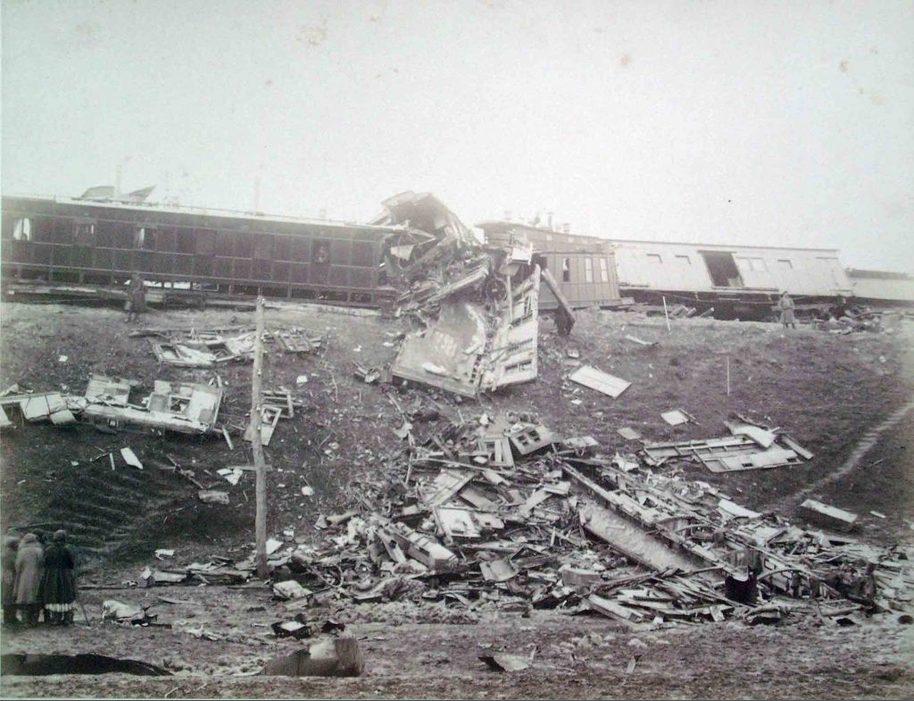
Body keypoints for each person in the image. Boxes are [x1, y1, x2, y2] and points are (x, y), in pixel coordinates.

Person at [41, 530, 78, 626]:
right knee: (66, 596)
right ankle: (67, 618)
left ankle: (55, 618)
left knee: (54, 596)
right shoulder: (67, 550)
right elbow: (72, 564)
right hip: (65, 576)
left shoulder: (48, 550)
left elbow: (44, 563)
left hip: (52, 576)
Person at [14, 533, 44, 626]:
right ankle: (34, 620)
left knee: (24, 599)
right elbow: (42, 563)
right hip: (37, 576)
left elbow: (17, 566)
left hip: (24, 577)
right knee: (36, 598)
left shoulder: (21, 551)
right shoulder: (39, 550)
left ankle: (25, 621)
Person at [2, 535, 19, 625]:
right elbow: (15, 565)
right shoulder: (12, 554)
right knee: (11, 596)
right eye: (16, 544)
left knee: (7, 597)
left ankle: (8, 618)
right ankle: (10, 618)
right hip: (11, 576)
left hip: (6, 575)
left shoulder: (5, 552)